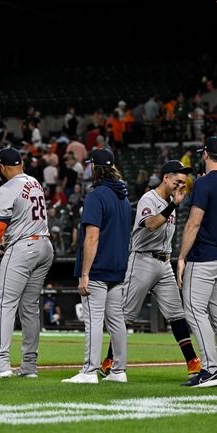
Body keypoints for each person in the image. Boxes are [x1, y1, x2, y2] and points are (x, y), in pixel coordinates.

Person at [98, 160, 202, 380]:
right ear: (165, 177)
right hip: (142, 260)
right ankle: (110, 361)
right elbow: (151, 224)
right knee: (125, 316)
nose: (180, 185)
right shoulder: (150, 198)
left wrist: (174, 203)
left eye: (183, 182)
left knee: (176, 314)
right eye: (177, 181)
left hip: (164, 263)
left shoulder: (171, 200)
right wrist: (173, 205)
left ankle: (193, 362)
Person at [0, 147, 54, 378]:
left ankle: (0, 364)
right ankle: (29, 366)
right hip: (45, 246)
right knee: (29, 308)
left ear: (3, 167)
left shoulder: (8, 187)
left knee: (4, 304)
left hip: (24, 248)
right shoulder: (35, 182)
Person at [62, 149, 131, 384]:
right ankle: (119, 370)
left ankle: (89, 371)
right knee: (116, 321)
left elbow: (92, 237)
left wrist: (85, 273)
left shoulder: (96, 195)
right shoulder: (123, 196)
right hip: (118, 267)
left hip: (99, 267)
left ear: (94, 167)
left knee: (93, 319)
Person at [176, 136, 217, 388]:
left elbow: (194, 223)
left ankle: (211, 370)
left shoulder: (203, 183)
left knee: (194, 309)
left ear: (205, 154)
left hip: (205, 257)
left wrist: (181, 257)